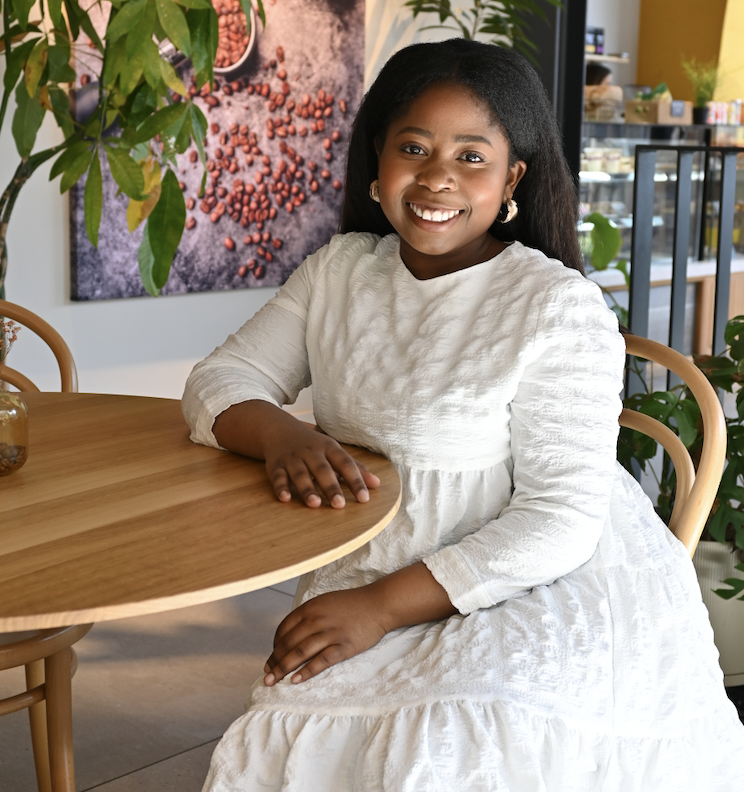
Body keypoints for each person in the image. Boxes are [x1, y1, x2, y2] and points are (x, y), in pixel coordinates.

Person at [183, 39, 744, 791]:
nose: (438, 175)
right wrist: (282, 432)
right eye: (413, 146)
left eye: (471, 156)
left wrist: (382, 608)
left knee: (459, 749)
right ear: (377, 161)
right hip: (372, 564)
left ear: (513, 176)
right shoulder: (340, 271)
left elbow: (558, 520)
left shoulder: (554, 305)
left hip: (535, 575)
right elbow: (222, 379)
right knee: (303, 737)